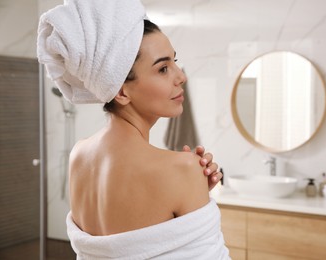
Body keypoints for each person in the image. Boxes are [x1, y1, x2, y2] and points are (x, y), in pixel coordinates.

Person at [37, 0, 230, 259]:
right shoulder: (182, 169)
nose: (180, 76)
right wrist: (189, 185)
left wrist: (191, 193)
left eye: (175, 61)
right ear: (121, 90)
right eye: (163, 68)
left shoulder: (79, 155)